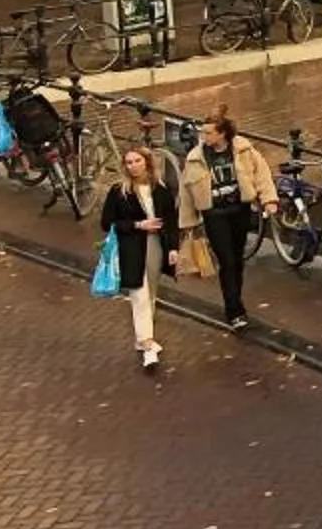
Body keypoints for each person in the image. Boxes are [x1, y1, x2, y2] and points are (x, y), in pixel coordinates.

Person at [177, 113, 277, 330]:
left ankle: (235, 300)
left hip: (239, 210)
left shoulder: (243, 149)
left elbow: (262, 174)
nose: (203, 136)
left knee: (238, 260)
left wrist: (268, 200)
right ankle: (234, 310)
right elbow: (186, 191)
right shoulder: (196, 157)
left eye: (208, 132)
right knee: (227, 261)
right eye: (202, 132)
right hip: (214, 215)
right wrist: (188, 224)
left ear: (222, 134)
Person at [98, 147, 176, 372]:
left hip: (155, 247)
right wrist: (137, 225)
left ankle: (142, 338)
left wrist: (173, 248)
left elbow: (171, 222)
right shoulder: (119, 191)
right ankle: (148, 345)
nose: (132, 166)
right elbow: (107, 222)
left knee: (150, 292)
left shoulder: (161, 190)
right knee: (139, 293)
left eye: (137, 161)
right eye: (128, 162)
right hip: (131, 247)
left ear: (147, 163)